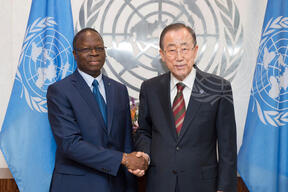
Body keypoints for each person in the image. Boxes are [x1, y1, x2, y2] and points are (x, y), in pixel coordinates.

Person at [134, 23, 237, 192]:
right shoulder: (150, 88)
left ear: (195, 51)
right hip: (160, 183)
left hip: (203, 185)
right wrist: (144, 155)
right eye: (172, 50)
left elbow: (228, 146)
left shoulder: (218, 88)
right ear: (162, 54)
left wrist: (225, 188)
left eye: (185, 49)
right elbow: (144, 131)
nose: (179, 57)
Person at [47, 28, 147, 192]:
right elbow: (70, 144)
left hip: (116, 184)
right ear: (74, 54)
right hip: (76, 186)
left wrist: (132, 176)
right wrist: (123, 159)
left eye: (99, 48)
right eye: (86, 49)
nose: (94, 53)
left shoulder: (119, 90)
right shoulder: (60, 91)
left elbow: (126, 142)